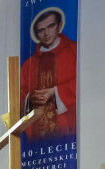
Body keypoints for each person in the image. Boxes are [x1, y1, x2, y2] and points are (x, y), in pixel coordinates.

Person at [20, 8, 77, 141]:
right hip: (36, 135)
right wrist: (29, 98)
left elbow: (83, 82)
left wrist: (55, 92)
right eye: (41, 30)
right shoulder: (28, 64)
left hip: (67, 131)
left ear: (59, 26)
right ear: (36, 34)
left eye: (50, 26)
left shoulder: (75, 51)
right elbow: (20, 93)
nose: (46, 33)